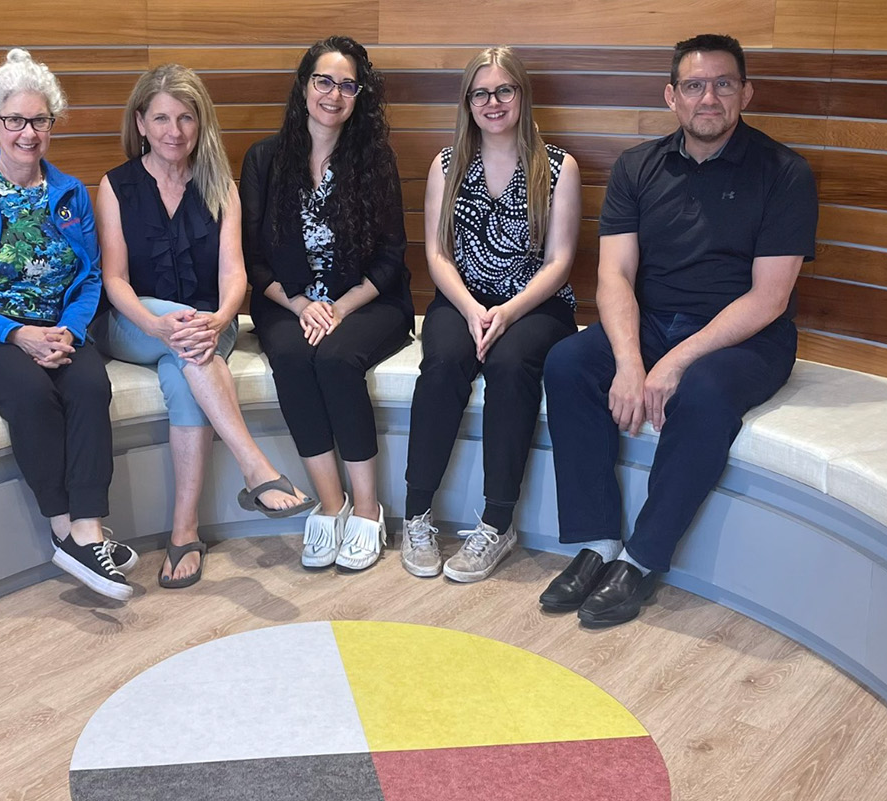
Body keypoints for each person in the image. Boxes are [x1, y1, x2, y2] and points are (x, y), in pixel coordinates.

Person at [540, 34, 818, 627]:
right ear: (672, 96)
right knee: (567, 363)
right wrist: (630, 361)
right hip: (653, 325)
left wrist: (673, 363)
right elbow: (613, 275)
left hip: (747, 338)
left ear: (745, 93)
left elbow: (769, 298)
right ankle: (596, 543)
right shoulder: (637, 168)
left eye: (723, 84)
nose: (709, 97)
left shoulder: (785, 173)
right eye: (694, 85)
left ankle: (641, 559)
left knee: (705, 391)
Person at [0, 48, 137, 602]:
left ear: (51, 124)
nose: (28, 133)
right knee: (30, 390)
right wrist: (17, 335)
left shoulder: (69, 195)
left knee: (89, 385)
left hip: (55, 329)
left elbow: (89, 279)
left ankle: (88, 527)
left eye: (39, 120)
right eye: (15, 120)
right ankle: (67, 530)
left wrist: (67, 331)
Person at [94, 65, 315, 589]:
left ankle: (183, 533)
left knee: (187, 365)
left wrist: (218, 318)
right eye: (162, 118)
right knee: (184, 340)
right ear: (141, 123)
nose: (175, 131)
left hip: (208, 326)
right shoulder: (116, 185)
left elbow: (234, 274)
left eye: (187, 118)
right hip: (134, 324)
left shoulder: (222, 186)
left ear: (201, 123)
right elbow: (115, 280)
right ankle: (256, 468)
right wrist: (157, 324)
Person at [399, 47, 581, 583]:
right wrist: (476, 310)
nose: (493, 102)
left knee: (509, 367)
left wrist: (507, 312)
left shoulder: (558, 166)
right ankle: (416, 513)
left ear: (522, 96)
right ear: (468, 102)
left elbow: (561, 261)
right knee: (444, 361)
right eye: (481, 93)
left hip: (536, 304)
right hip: (462, 298)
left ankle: (498, 523)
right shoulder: (446, 163)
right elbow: (437, 255)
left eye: (505, 90)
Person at [240, 36, 413, 573]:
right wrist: (299, 305)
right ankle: (330, 504)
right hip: (285, 301)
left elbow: (390, 258)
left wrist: (337, 307)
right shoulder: (264, 159)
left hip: (366, 301)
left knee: (337, 360)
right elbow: (252, 256)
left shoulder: (374, 158)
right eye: (324, 81)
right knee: (293, 358)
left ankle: (366, 510)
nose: (333, 94)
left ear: (359, 95)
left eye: (347, 85)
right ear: (304, 86)